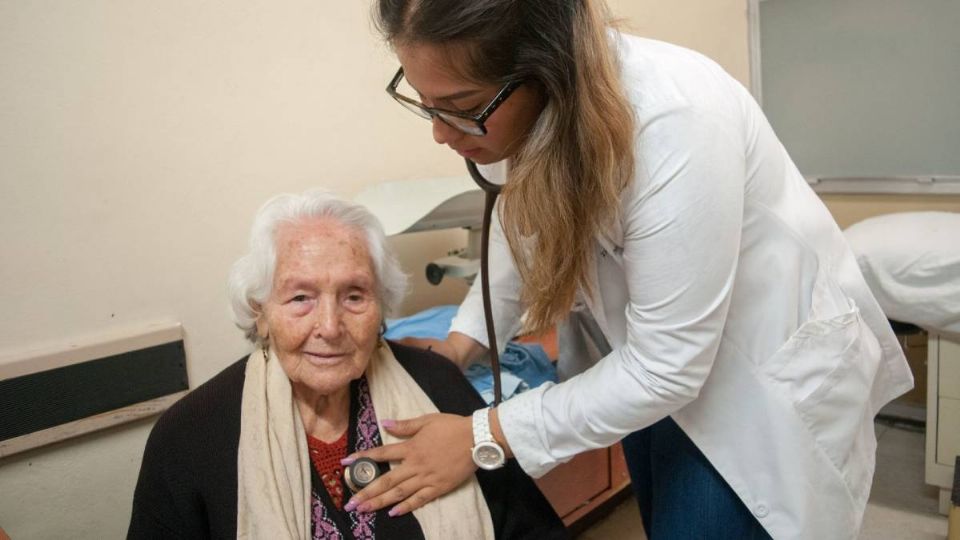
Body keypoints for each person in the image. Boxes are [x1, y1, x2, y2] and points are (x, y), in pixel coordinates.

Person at [346, 1, 916, 538]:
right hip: (653, 374)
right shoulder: (533, 110)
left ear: (548, 69)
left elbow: (667, 367)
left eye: (465, 109)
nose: (442, 133)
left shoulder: (675, 121)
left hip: (753, 389)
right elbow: (520, 221)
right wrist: (463, 342)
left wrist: (481, 437)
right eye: (428, 104)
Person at [126, 190, 566, 539]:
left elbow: (532, 530)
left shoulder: (437, 385)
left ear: (381, 306)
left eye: (354, 295)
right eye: (301, 297)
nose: (331, 326)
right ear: (260, 312)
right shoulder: (191, 435)